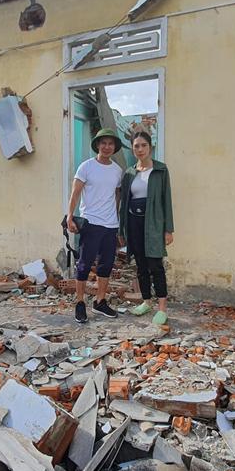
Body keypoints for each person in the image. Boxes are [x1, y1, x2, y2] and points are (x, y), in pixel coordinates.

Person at [67, 128, 125, 323]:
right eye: (104, 143)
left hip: (110, 225)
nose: (107, 147)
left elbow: (116, 197)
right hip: (90, 223)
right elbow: (75, 193)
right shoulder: (86, 167)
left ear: (114, 147)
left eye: (110, 144)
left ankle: (100, 301)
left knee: (106, 265)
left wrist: (117, 223)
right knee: (84, 264)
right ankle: (80, 302)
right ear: (97, 145)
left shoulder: (117, 171)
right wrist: (69, 217)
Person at [119, 131, 174, 325]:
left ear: (150, 147)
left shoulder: (160, 170)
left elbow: (166, 200)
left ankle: (162, 307)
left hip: (153, 224)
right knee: (140, 265)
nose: (140, 149)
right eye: (136, 146)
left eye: (143, 145)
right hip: (134, 223)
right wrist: (122, 229)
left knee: (155, 265)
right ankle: (146, 301)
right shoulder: (129, 173)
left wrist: (168, 229)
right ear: (132, 149)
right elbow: (124, 202)